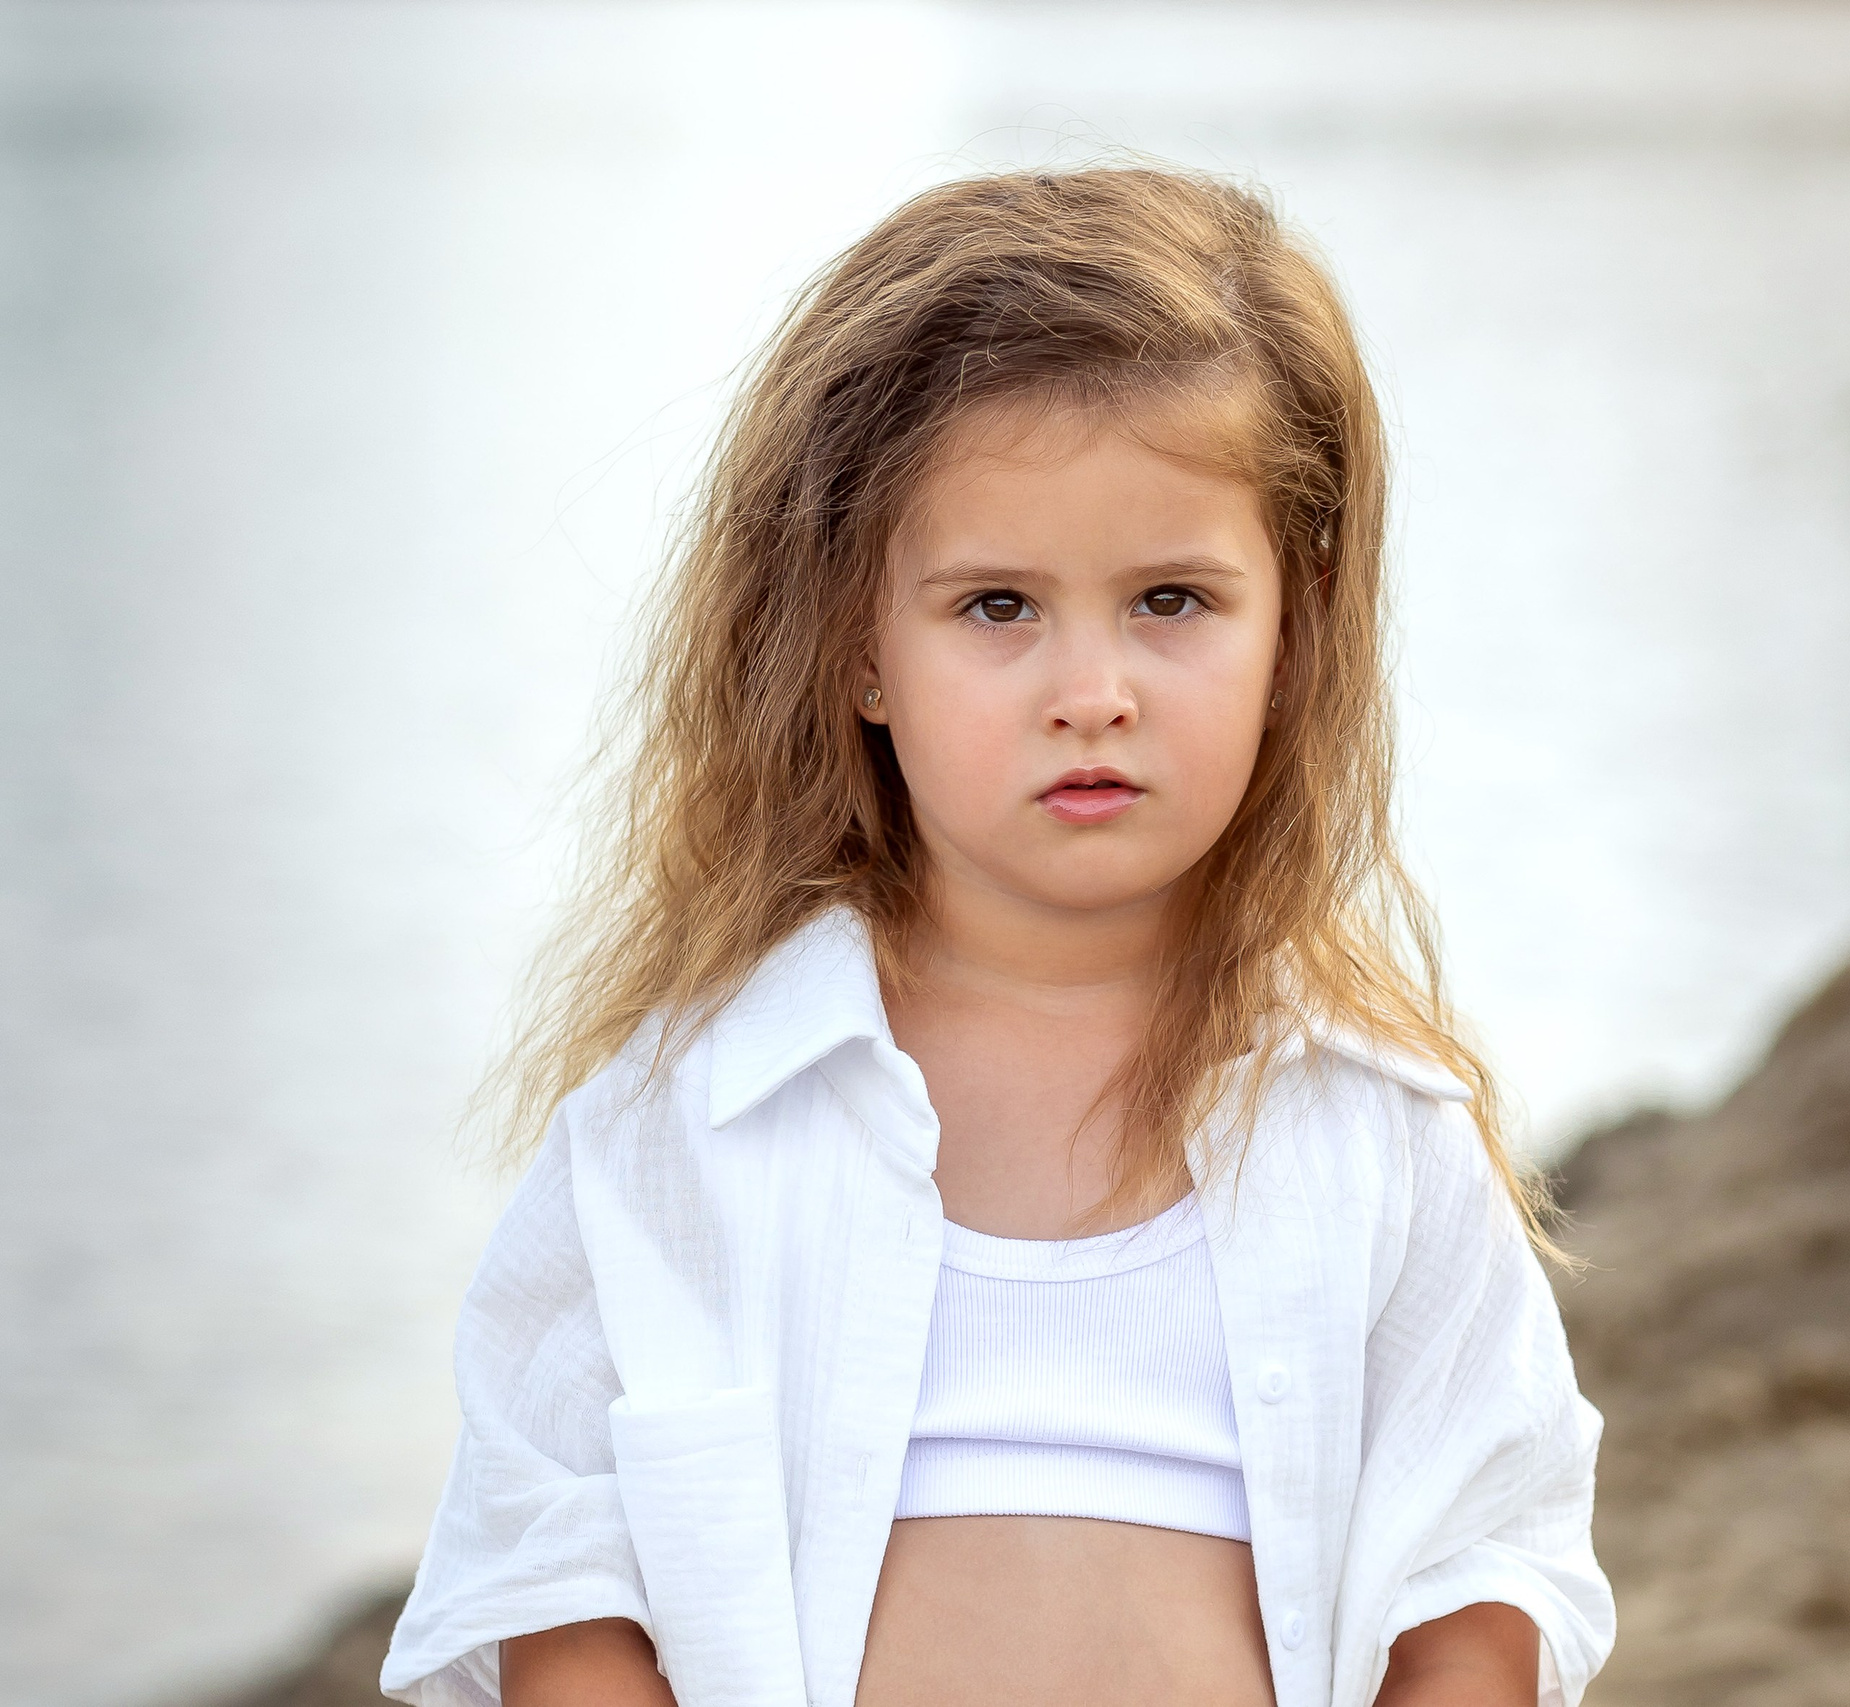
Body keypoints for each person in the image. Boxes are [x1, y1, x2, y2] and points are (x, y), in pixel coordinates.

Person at [379, 163, 1613, 1707]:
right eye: (996, 607)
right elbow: (549, 1569)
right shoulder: (681, 1124)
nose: (1091, 687)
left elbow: (1486, 1575)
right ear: (856, 649)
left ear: (1292, 634)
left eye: (1172, 599)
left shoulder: (1379, 1134)